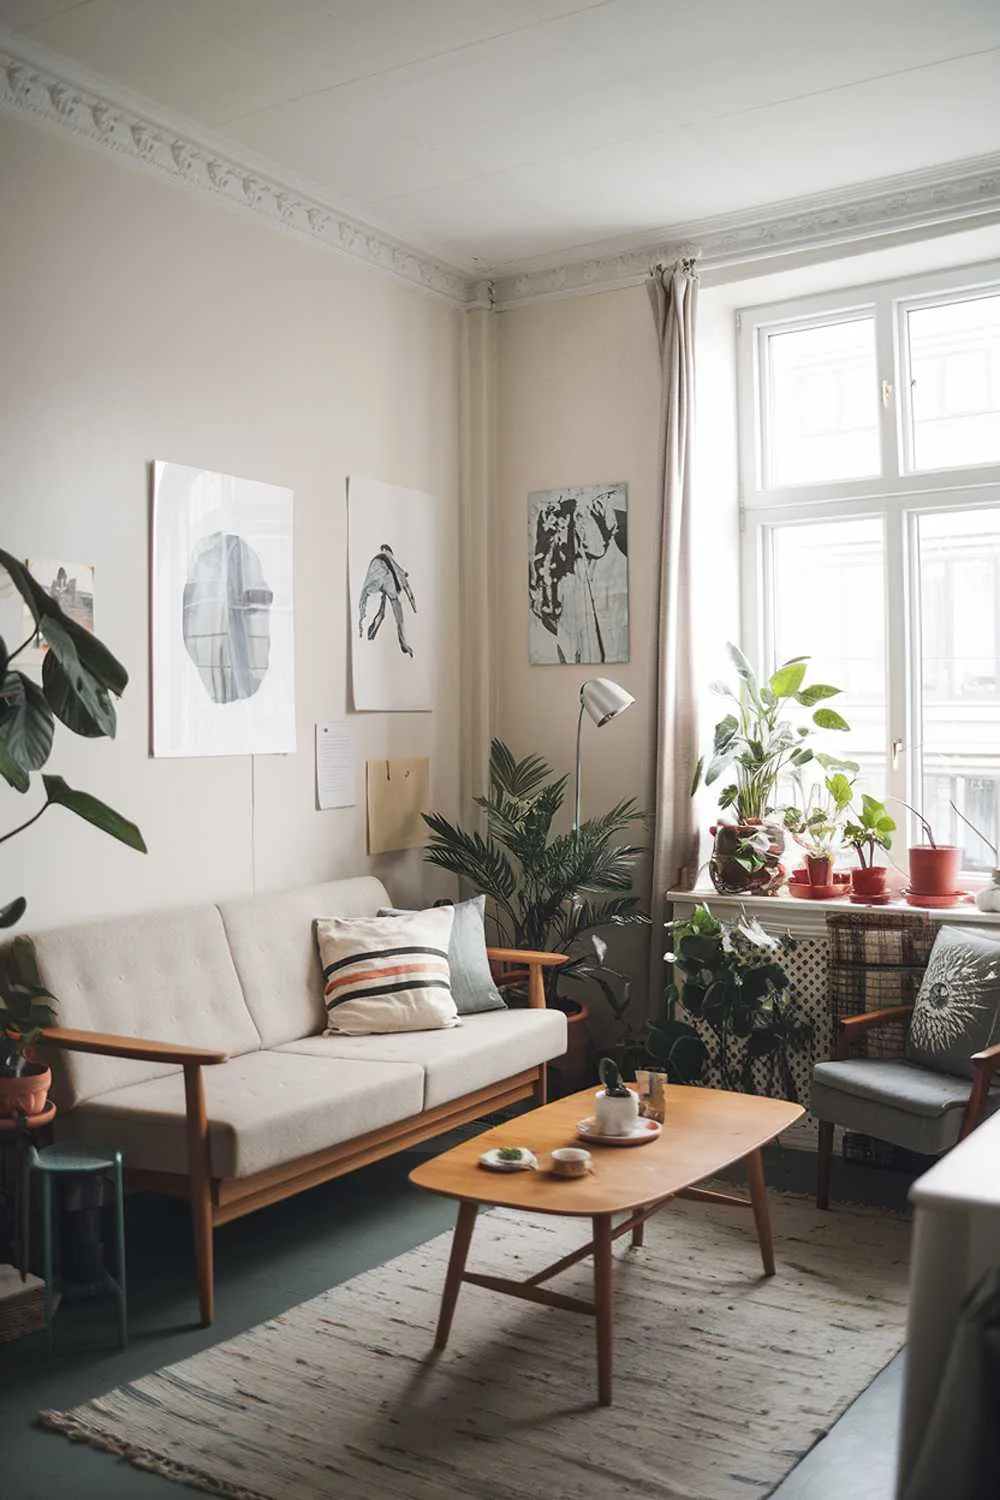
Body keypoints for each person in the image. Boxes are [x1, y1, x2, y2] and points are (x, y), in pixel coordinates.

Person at [357, 543, 416, 658]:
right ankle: (403, 645)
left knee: (382, 606)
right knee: (397, 612)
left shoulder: (381, 558)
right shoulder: (386, 556)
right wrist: (414, 605)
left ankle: (371, 632)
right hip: (384, 581)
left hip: (378, 581)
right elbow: (405, 584)